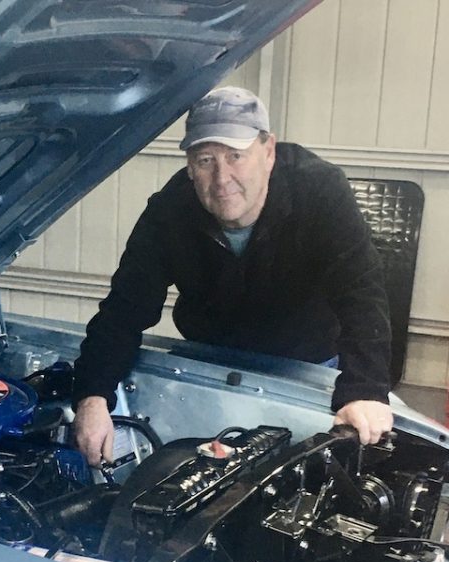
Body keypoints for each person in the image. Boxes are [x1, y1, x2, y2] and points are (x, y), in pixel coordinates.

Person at [71, 86, 393, 466]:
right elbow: (124, 309)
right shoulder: (170, 212)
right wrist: (92, 396)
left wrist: (364, 389)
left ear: (268, 152)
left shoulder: (319, 192)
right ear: (190, 166)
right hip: (214, 363)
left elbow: (361, 291)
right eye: (205, 159)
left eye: (236, 156)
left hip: (305, 364)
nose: (222, 178)